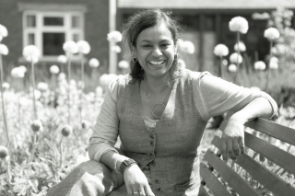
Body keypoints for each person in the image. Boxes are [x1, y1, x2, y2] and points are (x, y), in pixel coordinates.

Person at [47, 9, 278, 196]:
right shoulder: (120, 88)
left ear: (175, 48)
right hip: (126, 187)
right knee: (84, 176)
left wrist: (236, 118)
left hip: (176, 192)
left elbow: (266, 101)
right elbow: (98, 143)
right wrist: (127, 165)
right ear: (134, 51)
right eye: (147, 45)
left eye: (164, 45)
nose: (157, 53)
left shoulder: (197, 86)